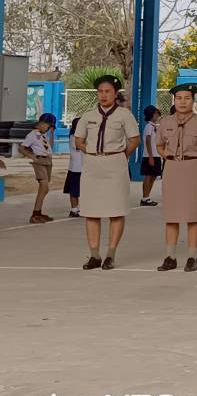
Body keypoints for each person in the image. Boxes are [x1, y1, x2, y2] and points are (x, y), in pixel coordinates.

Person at [73, 75, 140, 270]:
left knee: (116, 210)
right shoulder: (88, 116)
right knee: (91, 211)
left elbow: (134, 140)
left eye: (108, 91)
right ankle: (94, 255)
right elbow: (79, 141)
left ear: (115, 93)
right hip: (93, 165)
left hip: (115, 163)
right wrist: (93, 153)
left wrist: (120, 155)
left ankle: (110, 254)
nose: (103, 95)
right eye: (100, 92)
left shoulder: (124, 115)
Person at [154, 84, 197, 273]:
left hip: (191, 167)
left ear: (193, 100)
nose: (182, 102)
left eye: (187, 98)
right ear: (174, 100)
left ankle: (191, 257)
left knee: (191, 214)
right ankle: (170, 256)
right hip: (172, 167)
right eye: (179, 98)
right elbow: (159, 145)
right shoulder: (165, 122)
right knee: (171, 215)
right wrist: (168, 157)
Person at [19, 113, 55, 224]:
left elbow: (50, 147)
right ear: (42, 123)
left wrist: (52, 134)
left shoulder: (42, 135)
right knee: (44, 186)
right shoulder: (32, 135)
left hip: (47, 160)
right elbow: (22, 148)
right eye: (48, 126)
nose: (48, 129)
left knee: (46, 188)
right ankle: (35, 214)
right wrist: (33, 157)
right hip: (40, 161)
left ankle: (38, 212)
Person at [139, 105, 163, 206]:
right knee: (148, 176)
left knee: (153, 176)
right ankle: (145, 197)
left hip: (156, 155)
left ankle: (147, 196)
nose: (158, 115)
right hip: (150, 155)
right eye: (156, 113)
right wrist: (150, 156)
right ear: (152, 115)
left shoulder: (154, 126)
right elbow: (148, 141)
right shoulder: (149, 126)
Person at [62, 117, 83, 217]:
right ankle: (74, 209)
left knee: (80, 189)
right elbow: (80, 146)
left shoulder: (80, 136)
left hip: (82, 168)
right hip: (76, 168)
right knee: (74, 190)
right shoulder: (74, 137)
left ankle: (78, 208)